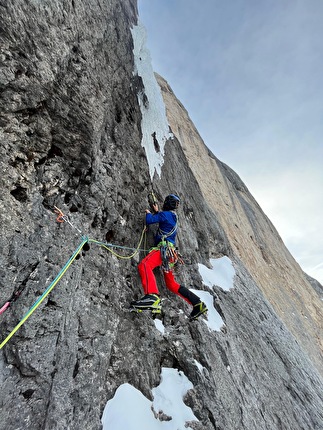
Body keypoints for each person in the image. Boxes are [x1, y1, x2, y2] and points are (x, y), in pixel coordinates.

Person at [130, 194, 208, 320]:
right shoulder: (173, 216)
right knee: (171, 284)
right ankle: (197, 303)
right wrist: (157, 212)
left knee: (145, 265)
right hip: (171, 255)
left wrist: (149, 213)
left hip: (163, 251)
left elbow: (149, 220)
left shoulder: (165, 215)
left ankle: (152, 296)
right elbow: (164, 221)